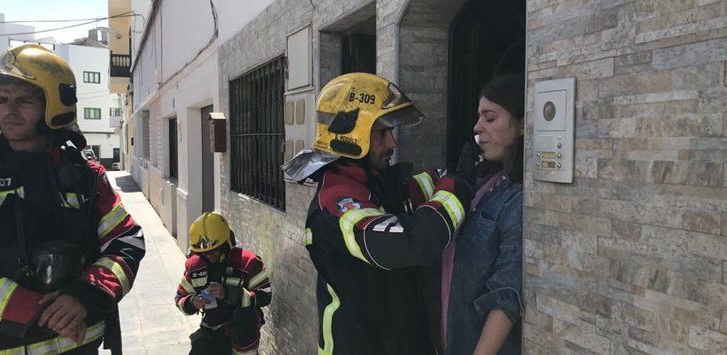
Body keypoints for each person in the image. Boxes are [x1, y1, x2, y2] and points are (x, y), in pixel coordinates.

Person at [281, 72, 474, 354]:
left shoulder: (372, 183)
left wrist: (452, 174)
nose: (392, 144)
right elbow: (411, 243)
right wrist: (458, 188)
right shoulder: (336, 203)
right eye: (382, 133)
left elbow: (414, 188)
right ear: (351, 136)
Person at [0, 44, 145, 354]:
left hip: (81, 344)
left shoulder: (85, 175)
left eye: (24, 99)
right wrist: (37, 310)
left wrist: (85, 294)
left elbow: (127, 240)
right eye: (2, 99)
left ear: (53, 104)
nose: (9, 110)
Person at [443, 74, 525, 355]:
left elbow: (507, 294)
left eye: (490, 118)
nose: (477, 127)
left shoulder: (519, 199)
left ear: (523, 124)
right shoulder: (485, 183)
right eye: (479, 118)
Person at [175, 212, 271, 355]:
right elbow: (179, 298)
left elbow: (265, 296)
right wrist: (191, 302)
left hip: (242, 328)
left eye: (214, 250)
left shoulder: (247, 262)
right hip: (211, 327)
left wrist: (228, 293)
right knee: (199, 347)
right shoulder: (195, 267)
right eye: (204, 252)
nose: (209, 255)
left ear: (226, 244)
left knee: (244, 328)